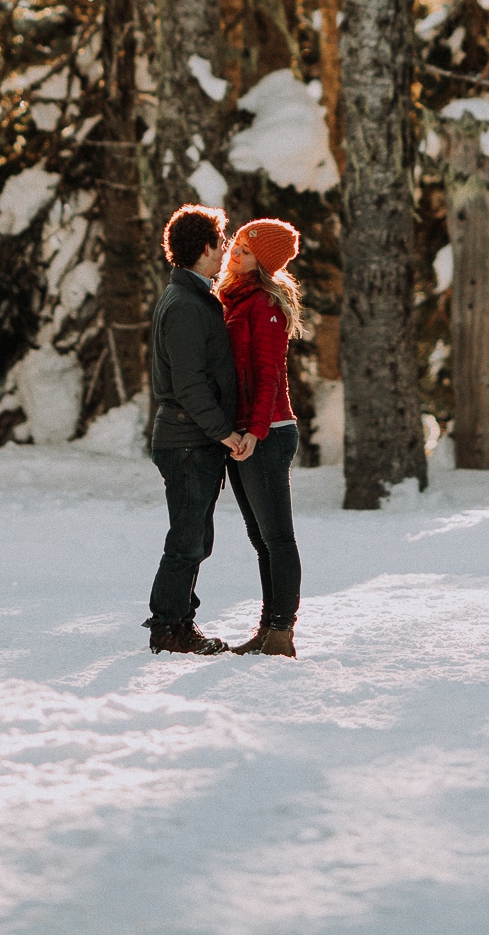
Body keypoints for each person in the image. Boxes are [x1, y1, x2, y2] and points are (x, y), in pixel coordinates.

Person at [145, 204, 254, 655]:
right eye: (222, 243)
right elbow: (188, 383)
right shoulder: (186, 305)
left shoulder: (192, 296)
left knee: (195, 538)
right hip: (188, 440)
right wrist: (224, 432)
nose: (225, 250)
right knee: (187, 540)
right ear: (206, 248)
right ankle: (169, 628)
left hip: (193, 439)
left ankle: (178, 622)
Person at [216, 217, 305, 659]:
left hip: (266, 433)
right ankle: (268, 628)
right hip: (246, 434)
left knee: (277, 538)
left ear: (264, 262)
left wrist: (254, 430)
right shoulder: (235, 298)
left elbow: (269, 375)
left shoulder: (264, 305)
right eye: (237, 244)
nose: (236, 253)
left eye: (247, 251)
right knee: (260, 537)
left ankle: (282, 632)